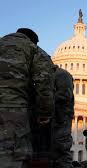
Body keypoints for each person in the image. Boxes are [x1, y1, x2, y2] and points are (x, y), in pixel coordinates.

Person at [0, 28, 54, 168]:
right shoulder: (34, 50)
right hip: (12, 110)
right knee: (10, 158)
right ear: (33, 41)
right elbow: (44, 86)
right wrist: (44, 114)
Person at [50, 65, 74, 168]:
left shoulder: (61, 74)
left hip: (60, 116)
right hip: (50, 116)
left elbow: (64, 95)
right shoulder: (48, 74)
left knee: (61, 150)